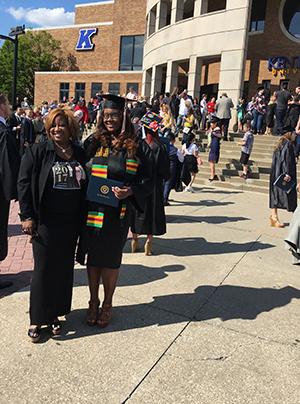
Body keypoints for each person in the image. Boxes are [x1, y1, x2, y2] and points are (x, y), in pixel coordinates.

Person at [77, 95, 153, 328]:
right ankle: (93, 301)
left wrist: (130, 191)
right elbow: (78, 164)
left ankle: (107, 303)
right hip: (92, 210)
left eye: (115, 116)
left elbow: (149, 180)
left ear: (124, 117)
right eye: (107, 116)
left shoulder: (136, 145)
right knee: (93, 258)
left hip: (117, 213)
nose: (110, 120)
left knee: (110, 260)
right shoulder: (94, 141)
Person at [18, 108, 87, 342]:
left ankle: (55, 314)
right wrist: (27, 216)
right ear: (48, 128)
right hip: (45, 221)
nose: (57, 129)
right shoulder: (38, 150)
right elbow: (24, 183)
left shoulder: (79, 152)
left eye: (62, 125)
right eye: (53, 125)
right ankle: (37, 318)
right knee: (43, 270)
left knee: (63, 269)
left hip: (71, 222)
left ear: (71, 129)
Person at [131, 111, 170, 256]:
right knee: (152, 213)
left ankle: (134, 239)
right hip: (154, 186)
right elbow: (165, 172)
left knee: (137, 211)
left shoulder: (137, 144)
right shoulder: (160, 146)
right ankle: (149, 241)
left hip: (139, 184)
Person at [0, 94, 20, 289]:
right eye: (6, 104)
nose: (9, 108)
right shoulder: (3, 132)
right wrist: (13, 192)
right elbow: (7, 166)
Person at [269, 130, 297, 228]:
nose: (295, 135)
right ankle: (296, 218)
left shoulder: (280, 143)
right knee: (290, 196)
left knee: (275, 195)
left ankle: (274, 217)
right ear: (290, 134)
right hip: (284, 174)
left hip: (276, 173)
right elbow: (287, 160)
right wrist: (287, 173)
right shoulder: (288, 144)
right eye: (294, 134)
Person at [163, 132, 184, 205]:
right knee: (168, 183)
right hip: (171, 167)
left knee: (163, 182)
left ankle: (161, 198)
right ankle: (164, 199)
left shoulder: (162, 148)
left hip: (163, 166)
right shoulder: (176, 150)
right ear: (173, 140)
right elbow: (181, 159)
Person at [207, 117, 222, 181]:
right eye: (211, 123)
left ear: (216, 123)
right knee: (211, 161)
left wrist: (213, 132)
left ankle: (212, 176)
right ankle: (213, 175)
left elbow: (220, 135)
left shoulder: (217, 129)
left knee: (212, 161)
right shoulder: (213, 129)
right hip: (213, 146)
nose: (211, 124)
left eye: (212, 123)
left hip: (215, 146)